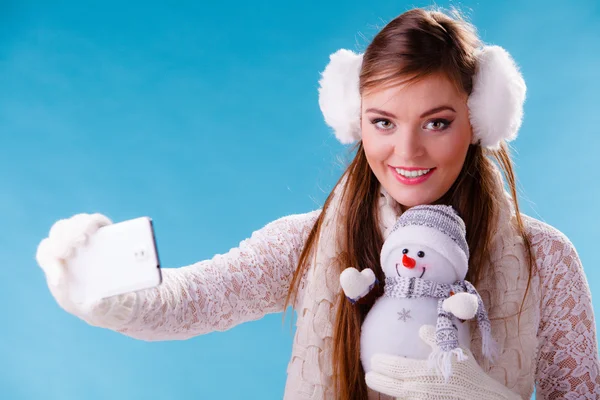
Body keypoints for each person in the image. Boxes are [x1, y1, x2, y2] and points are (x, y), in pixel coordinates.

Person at [35, 7, 600, 400]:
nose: (407, 150)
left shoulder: (543, 259)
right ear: (356, 123)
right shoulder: (309, 241)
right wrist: (98, 292)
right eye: (383, 122)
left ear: (480, 119)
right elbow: (191, 301)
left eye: (436, 122)